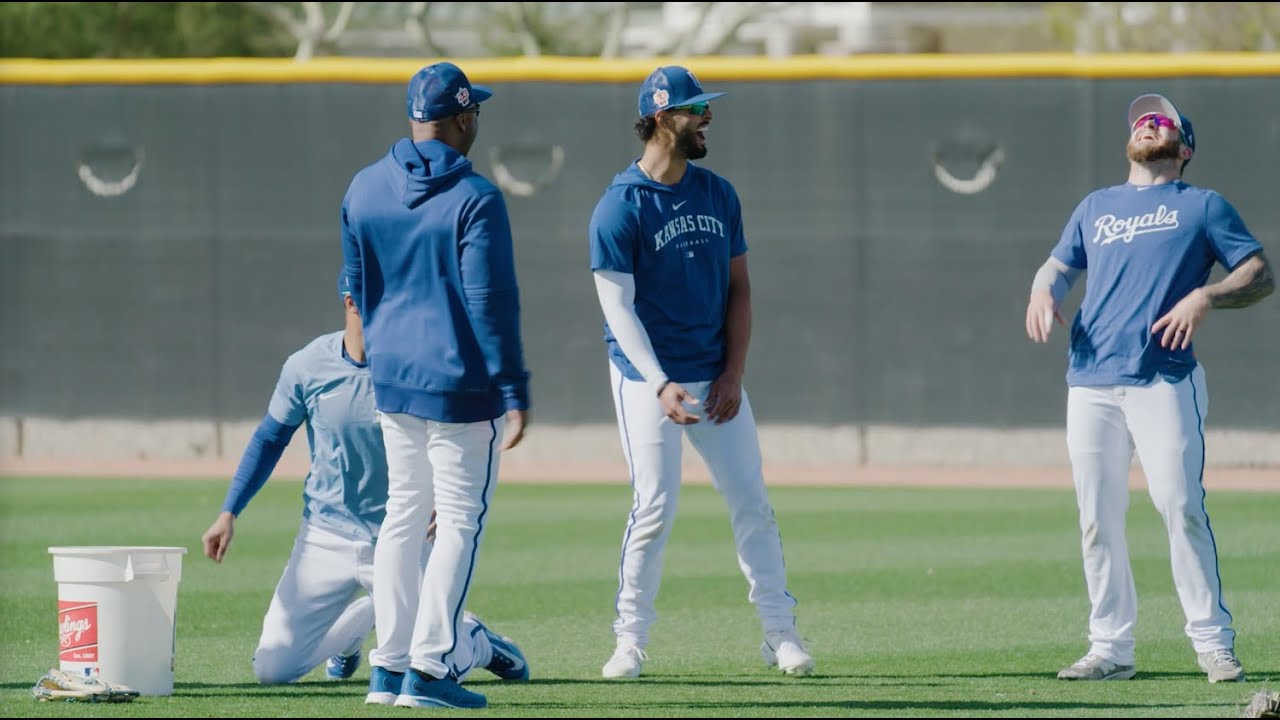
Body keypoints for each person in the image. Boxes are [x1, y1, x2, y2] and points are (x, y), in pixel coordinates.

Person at [1026, 93, 1274, 684]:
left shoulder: (1203, 205)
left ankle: (1213, 643)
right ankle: (1110, 648)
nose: (1148, 125)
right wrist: (1043, 290)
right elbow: (1059, 265)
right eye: (1141, 120)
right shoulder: (1096, 206)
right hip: (1089, 380)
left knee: (1181, 507)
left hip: (1163, 378)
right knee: (1096, 517)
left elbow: (1260, 272)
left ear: (1183, 147)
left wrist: (1207, 294)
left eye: (1160, 121)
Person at [586, 66, 815, 680]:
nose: (707, 117)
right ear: (661, 118)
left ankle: (780, 633)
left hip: (715, 376)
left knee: (753, 504)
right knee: (654, 505)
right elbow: (617, 309)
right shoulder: (619, 207)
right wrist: (659, 381)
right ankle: (629, 642)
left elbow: (740, 289)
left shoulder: (718, 193)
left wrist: (733, 372)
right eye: (694, 110)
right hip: (645, 379)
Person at [200, 276, 530, 691]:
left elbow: (459, 434)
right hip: (325, 536)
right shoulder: (307, 365)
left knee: (423, 668)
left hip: (404, 536)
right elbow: (270, 438)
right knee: (272, 669)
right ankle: (362, 622)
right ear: (351, 302)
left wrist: (446, 499)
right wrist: (229, 511)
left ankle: (477, 642)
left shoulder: (419, 364)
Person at [340, 61, 531, 710]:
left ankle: (388, 669)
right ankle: (430, 668)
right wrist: (514, 386)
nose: (476, 119)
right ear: (460, 119)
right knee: (457, 522)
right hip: (460, 386)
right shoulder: (476, 197)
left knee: (400, 518)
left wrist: (382, 362)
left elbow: (357, 293)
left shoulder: (364, 189)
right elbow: (491, 301)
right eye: (472, 111)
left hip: (393, 383)